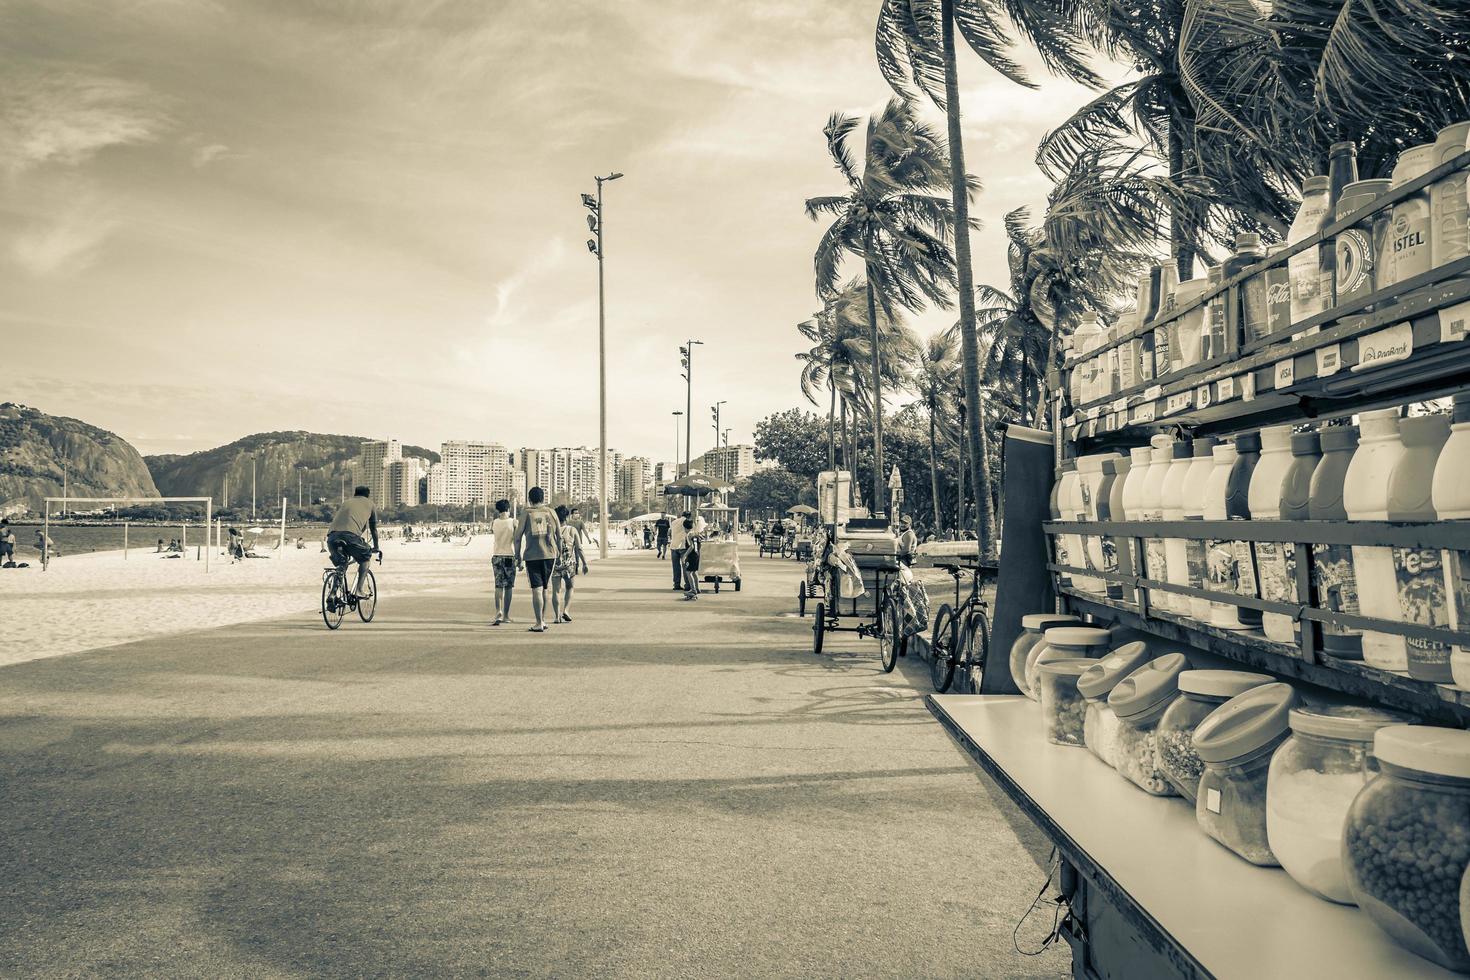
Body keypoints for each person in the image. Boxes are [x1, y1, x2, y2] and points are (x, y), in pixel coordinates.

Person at [515, 486, 561, 633]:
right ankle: (543, 620)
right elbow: (559, 535)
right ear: (543, 498)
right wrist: (558, 553)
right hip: (550, 554)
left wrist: (517, 556)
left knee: (537, 589)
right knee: (545, 588)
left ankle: (538, 622)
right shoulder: (551, 512)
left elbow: (517, 537)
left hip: (532, 555)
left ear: (529, 499)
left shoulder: (525, 514)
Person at [326, 485, 381, 598]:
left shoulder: (346, 502)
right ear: (367, 495)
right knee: (365, 559)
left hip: (332, 537)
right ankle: (359, 590)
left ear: (355, 494)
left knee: (342, 565)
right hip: (350, 537)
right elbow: (373, 529)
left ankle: (332, 595)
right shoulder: (370, 504)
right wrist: (376, 546)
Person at [551, 504, 587, 623]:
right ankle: (566, 610)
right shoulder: (572, 530)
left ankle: (557, 617)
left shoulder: (552, 530)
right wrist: (585, 563)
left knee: (556, 590)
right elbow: (579, 548)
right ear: (566, 517)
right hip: (570, 563)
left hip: (555, 563)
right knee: (570, 587)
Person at [490, 498, 520, 626]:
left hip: (497, 555)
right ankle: (506, 615)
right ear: (508, 509)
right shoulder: (513, 522)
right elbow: (517, 540)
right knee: (508, 586)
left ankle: (498, 612)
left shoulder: (494, 522)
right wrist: (519, 557)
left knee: (498, 585)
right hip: (509, 555)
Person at [681, 517, 703, 600]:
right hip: (697, 555)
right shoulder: (695, 533)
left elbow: (691, 546)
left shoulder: (688, 535)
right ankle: (697, 588)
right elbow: (700, 540)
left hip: (691, 556)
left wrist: (685, 555)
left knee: (688, 572)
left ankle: (693, 590)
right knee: (694, 572)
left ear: (684, 527)